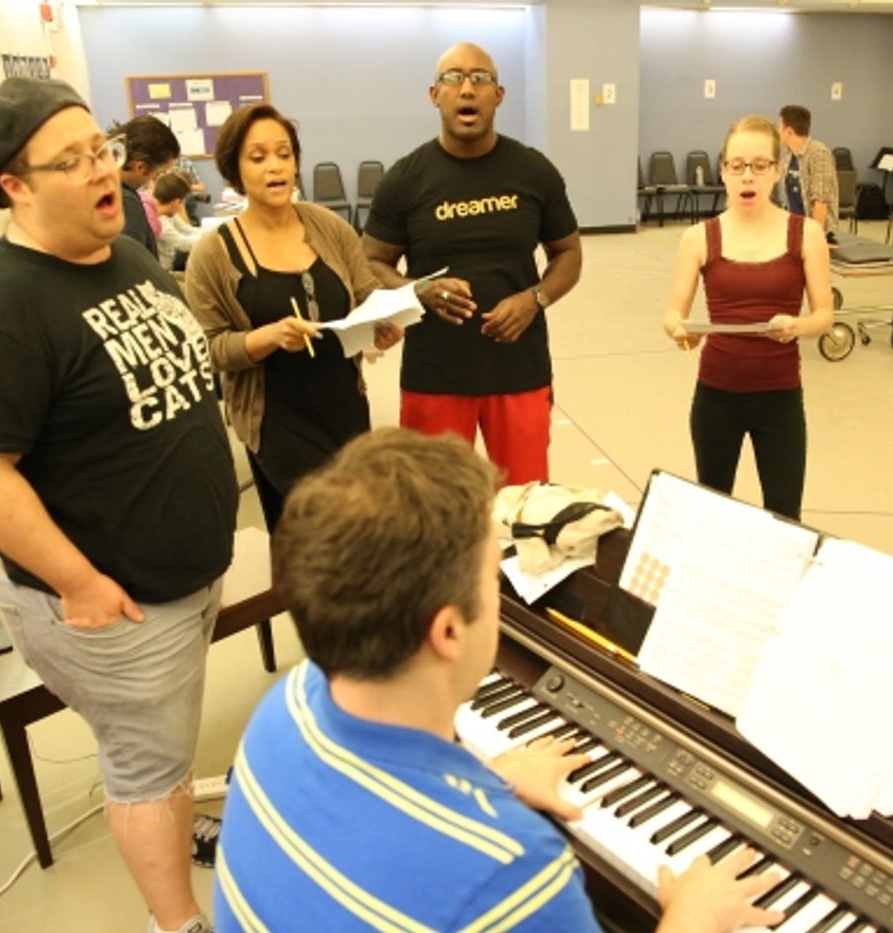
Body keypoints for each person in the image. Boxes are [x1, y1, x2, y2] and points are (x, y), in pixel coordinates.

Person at [214, 428, 784, 932]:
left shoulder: (286, 705)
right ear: (448, 632)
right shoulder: (511, 871)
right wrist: (694, 919)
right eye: (494, 577)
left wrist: (489, 782)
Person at [0, 77, 239, 933]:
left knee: (164, 756)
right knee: (145, 771)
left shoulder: (128, 252)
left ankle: (174, 815)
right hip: (113, 602)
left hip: (184, 576)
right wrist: (78, 582)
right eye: (69, 161)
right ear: (14, 185)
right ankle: (177, 921)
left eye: (98, 149)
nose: (101, 171)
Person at [362, 42, 583, 486]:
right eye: (453, 78)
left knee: (525, 509)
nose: (467, 89)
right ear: (434, 94)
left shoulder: (533, 171)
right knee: (437, 511)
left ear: (498, 95)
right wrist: (416, 291)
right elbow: (370, 262)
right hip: (435, 373)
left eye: (480, 79)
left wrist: (534, 298)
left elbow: (569, 253)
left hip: (519, 370)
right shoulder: (405, 179)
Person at [184, 103, 402, 532]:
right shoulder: (214, 253)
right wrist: (266, 337)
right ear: (234, 169)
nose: (275, 167)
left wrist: (381, 325)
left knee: (358, 535)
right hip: (276, 422)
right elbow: (206, 349)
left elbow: (364, 294)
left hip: (344, 406)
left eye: (284, 154)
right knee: (314, 538)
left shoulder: (326, 226)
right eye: (258, 156)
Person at [663, 115, 834, 521]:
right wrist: (681, 331)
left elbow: (824, 315)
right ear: (723, 170)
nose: (747, 177)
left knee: (785, 515)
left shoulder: (805, 233)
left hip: (780, 398)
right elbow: (674, 313)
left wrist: (798, 327)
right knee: (713, 508)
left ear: (777, 170)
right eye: (737, 165)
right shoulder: (699, 237)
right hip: (716, 397)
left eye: (759, 166)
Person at [116, 114, 181, 256]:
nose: (155, 180)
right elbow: (132, 263)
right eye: (158, 173)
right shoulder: (126, 202)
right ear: (140, 167)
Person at [775, 105, 839, 235]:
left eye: (779, 127)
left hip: (817, 230)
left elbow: (820, 201)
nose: (777, 131)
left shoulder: (819, 153)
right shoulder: (788, 153)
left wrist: (816, 236)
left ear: (788, 131)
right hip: (796, 226)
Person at [152, 170, 201, 272]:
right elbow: (182, 243)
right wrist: (210, 240)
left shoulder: (169, 214)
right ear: (175, 202)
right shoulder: (159, 223)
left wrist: (211, 233)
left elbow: (187, 229)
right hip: (164, 272)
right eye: (182, 201)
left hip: (170, 265)